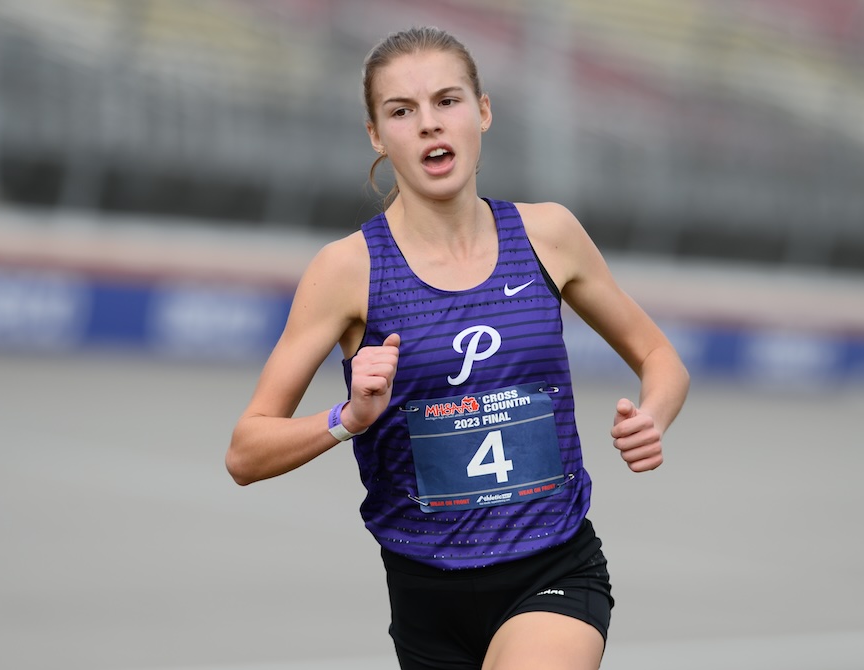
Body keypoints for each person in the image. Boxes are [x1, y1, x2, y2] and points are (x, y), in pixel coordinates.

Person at [226, 26, 690, 670]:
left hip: (554, 566)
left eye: (447, 101)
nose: (428, 125)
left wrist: (653, 416)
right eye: (401, 111)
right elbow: (245, 452)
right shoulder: (348, 270)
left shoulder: (548, 235)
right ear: (375, 135)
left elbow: (661, 358)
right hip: (425, 596)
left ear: (484, 111)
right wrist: (347, 420)